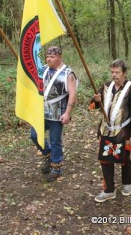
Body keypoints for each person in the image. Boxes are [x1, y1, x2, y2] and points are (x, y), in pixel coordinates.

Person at [90, 59, 131, 203]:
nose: (114, 75)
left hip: (123, 131)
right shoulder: (106, 86)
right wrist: (96, 100)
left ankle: (127, 183)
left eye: (117, 72)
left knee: (124, 158)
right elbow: (95, 105)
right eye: (112, 72)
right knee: (105, 160)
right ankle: (109, 190)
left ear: (124, 73)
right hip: (106, 130)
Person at [29, 46, 78, 182]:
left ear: (59, 57)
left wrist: (67, 113)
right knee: (34, 135)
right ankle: (48, 153)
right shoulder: (43, 69)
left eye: (52, 57)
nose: (49, 59)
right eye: (47, 57)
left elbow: (73, 95)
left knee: (55, 140)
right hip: (42, 111)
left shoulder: (68, 73)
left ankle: (56, 167)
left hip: (58, 113)